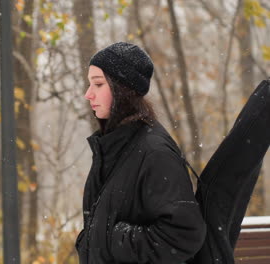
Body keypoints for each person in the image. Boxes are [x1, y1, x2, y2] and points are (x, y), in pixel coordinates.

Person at [75, 42, 206, 264]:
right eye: (90, 84)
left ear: (122, 88)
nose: (88, 94)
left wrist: (111, 241)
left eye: (98, 84)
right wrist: (89, 241)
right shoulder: (114, 146)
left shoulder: (155, 152)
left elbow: (183, 234)